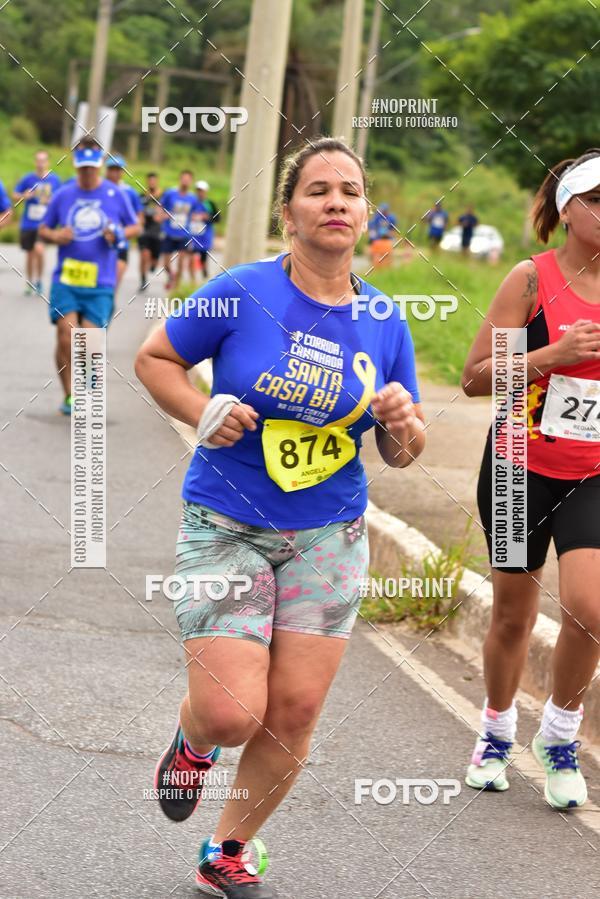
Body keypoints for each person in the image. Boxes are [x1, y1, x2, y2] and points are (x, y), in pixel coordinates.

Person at [135, 136, 425, 898]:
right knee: (232, 712)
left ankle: (229, 847)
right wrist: (206, 411)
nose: (336, 201)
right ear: (288, 211)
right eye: (318, 189)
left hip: (331, 534)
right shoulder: (240, 290)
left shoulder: (386, 319)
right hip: (227, 521)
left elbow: (403, 450)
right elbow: (154, 358)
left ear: (365, 214)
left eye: (351, 191)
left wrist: (400, 422)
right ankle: (194, 737)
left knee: (292, 708)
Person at [462, 149, 600, 809]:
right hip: (519, 462)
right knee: (514, 614)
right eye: (597, 200)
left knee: (592, 610)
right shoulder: (529, 278)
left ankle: (561, 735)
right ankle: (494, 729)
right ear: (568, 209)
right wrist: (551, 354)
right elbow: (475, 377)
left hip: (593, 471)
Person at [39, 137, 140, 415]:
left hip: (101, 281)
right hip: (67, 279)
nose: (87, 173)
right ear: (75, 164)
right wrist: (56, 235)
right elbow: (44, 229)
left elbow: (135, 227)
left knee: (90, 342)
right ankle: (70, 395)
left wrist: (117, 234)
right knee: (65, 336)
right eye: (82, 168)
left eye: (92, 168)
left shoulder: (116, 195)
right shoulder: (63, 195)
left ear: (100, 164)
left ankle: (87, 386)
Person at [13, 150, 61, 295]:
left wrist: (51, 200)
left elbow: (61, 199)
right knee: (30, 254)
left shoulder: (54, 180)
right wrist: (24, 196)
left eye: (43, 160)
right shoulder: (28, 179)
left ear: (48, 162)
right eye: (38, 160)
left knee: (39, 250)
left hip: (44, 223)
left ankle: (39, 280)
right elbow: (15, 195)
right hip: (28, 222)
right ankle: (30, 282)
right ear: (35, 162)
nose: (40, 163)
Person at [105, 154, 144, 289]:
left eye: (118, 170)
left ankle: (110, 303)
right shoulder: (99, 189)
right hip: (101, 242)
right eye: (112, 169)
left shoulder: (130, 192)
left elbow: (139, 217)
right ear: (106, 170)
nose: (115, 173)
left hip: (121, 243)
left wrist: (128, 231)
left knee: (115, 280)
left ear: (122, 172)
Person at [159, 169, 197, 290]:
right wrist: (162, 215)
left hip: (184, 234)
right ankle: (171, 276)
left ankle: (176, 288)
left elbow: (195, 213)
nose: (185, 181)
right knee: (166, 264)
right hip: (169, 232)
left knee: (181, 262)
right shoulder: (170, 193)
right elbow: (160, 206)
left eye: (188, 179)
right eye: (183, 178)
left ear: (191, 181)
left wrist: (195, 219)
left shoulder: (193, 198)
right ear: (180, 179)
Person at [186, 179, 219, 282]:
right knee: (191, 258)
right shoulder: (192, 203)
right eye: (198, 190)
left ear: (205, 191)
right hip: (193, 236)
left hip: (205, 237)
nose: (199, 193)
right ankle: (193, 281)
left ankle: (204, 276)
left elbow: (217, 219)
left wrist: (206, 217)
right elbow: (185, 216)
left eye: (201, 190)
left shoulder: (210, 204)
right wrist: (191, 217)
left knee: (203, 260)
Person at [139, 172, 163, 291]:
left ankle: (154, 264)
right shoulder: (142, 197)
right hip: (145, 231)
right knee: (144, 255)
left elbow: (169, 212)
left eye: (154, 180)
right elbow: (137, 212)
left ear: (157, 181)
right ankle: (143, 281)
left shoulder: (163, 197)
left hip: (157, 232)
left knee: (154, 261)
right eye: (150, 180)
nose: (152, 183)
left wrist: (161, 216)